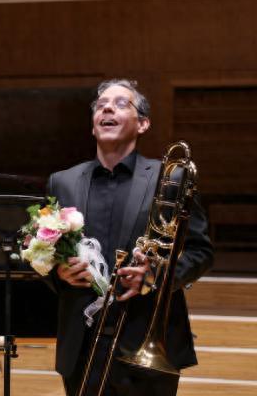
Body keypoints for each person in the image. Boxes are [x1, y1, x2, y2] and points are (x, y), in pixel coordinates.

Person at [47, 79, 214, 395]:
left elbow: (200, 252)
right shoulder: (62, 182)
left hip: (147, 337)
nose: (107, 108)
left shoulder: (171, 178)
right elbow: (46, 254)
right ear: (93, 125)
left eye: (121, 103)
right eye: (100, 105)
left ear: (143, 124)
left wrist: (156, 276)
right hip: (82, 343)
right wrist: (59, 273)